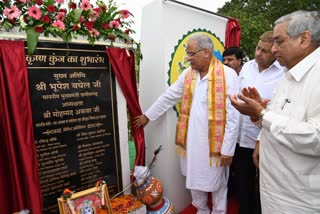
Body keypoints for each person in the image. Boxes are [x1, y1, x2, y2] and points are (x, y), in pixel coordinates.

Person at [134, 33, 239, 214]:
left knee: (218, 182)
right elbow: (169, 96)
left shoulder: (228, 75)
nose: (187, 58)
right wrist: (148, 116)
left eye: (191, 54)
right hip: (191, 142)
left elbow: (233, 116)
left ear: (206, 52)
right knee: (194, 178)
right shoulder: (188, 74)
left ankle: (219, 211)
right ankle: (202, 209)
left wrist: (228, 150)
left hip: (216, 144)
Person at [228, 10, 320, 213]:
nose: (274, 49)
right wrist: (259, 112)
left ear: (304, 39)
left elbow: (316, 137)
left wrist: (262, 113)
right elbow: (280, 118)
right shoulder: (289, 73)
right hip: (274, 187)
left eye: (279, 41)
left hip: (298, 199)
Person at [233, 31, 284, 214]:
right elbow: (237, 99)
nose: (257, 53)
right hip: (242, 138)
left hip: (266, 140)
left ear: (275, 51)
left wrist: (261, 137)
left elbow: (279, 111)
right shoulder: (247, 67)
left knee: (266, 186)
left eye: (264, 51)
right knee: (243, 184)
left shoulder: (284, 73)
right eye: (257, 48)